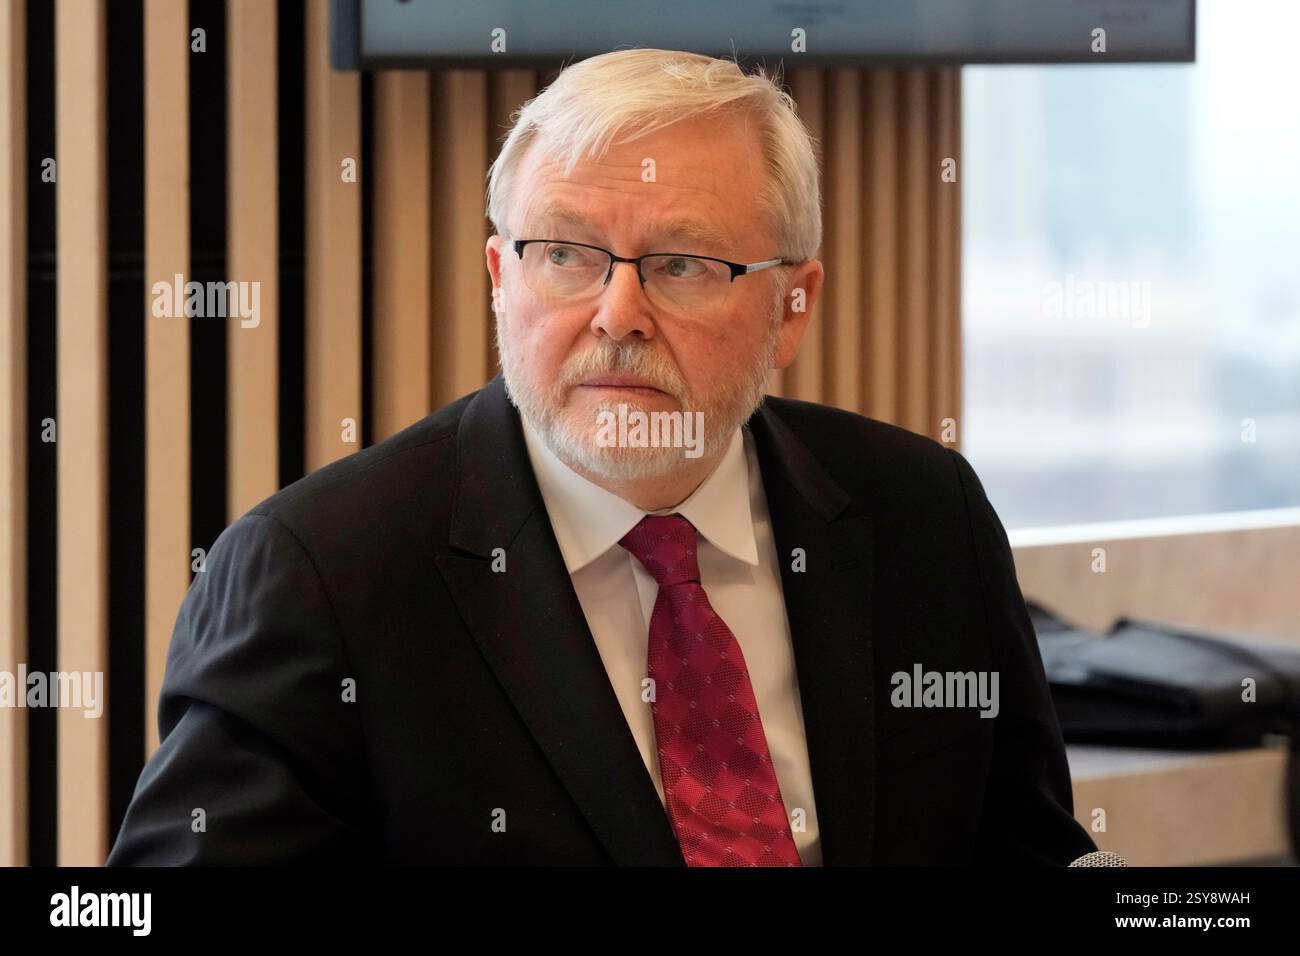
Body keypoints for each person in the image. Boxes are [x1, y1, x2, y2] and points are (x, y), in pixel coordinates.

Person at [107, 48, 1097, 866]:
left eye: (681, 264)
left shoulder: (922, 513)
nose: (618, 314)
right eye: (567, 254)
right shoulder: (324, 570)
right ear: (501, 278)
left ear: (792, 306)